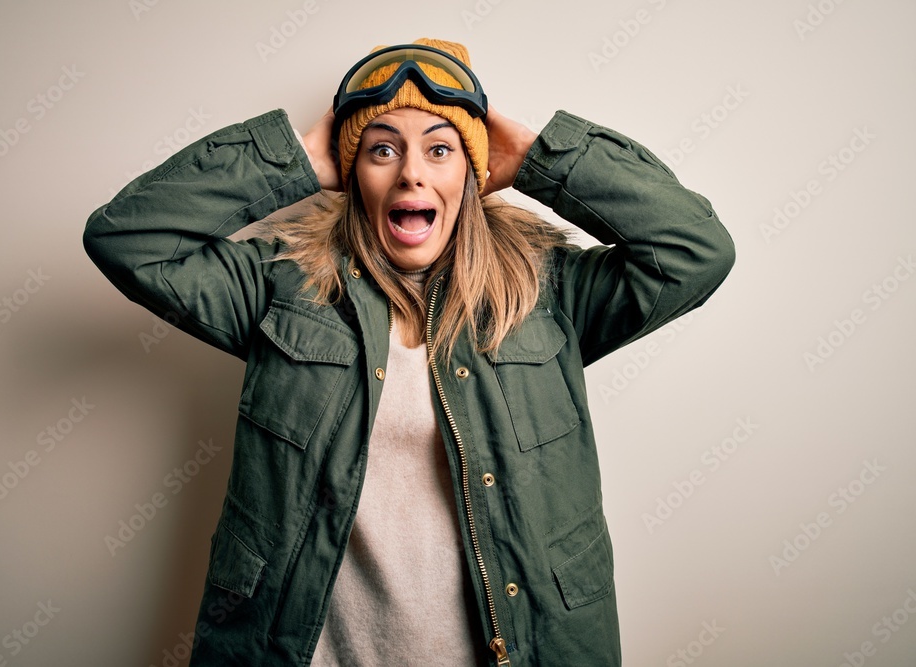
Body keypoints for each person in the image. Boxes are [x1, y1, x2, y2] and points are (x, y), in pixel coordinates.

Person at [84, 38, 735, 667]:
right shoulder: (278, 286)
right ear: (349, 172)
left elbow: (694, 251)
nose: (412, 172)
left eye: (441, 149)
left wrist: (541, 157)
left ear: (474, 174)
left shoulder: (550, 292)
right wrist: (297, 156)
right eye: (382, 149)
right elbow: (126, 239)